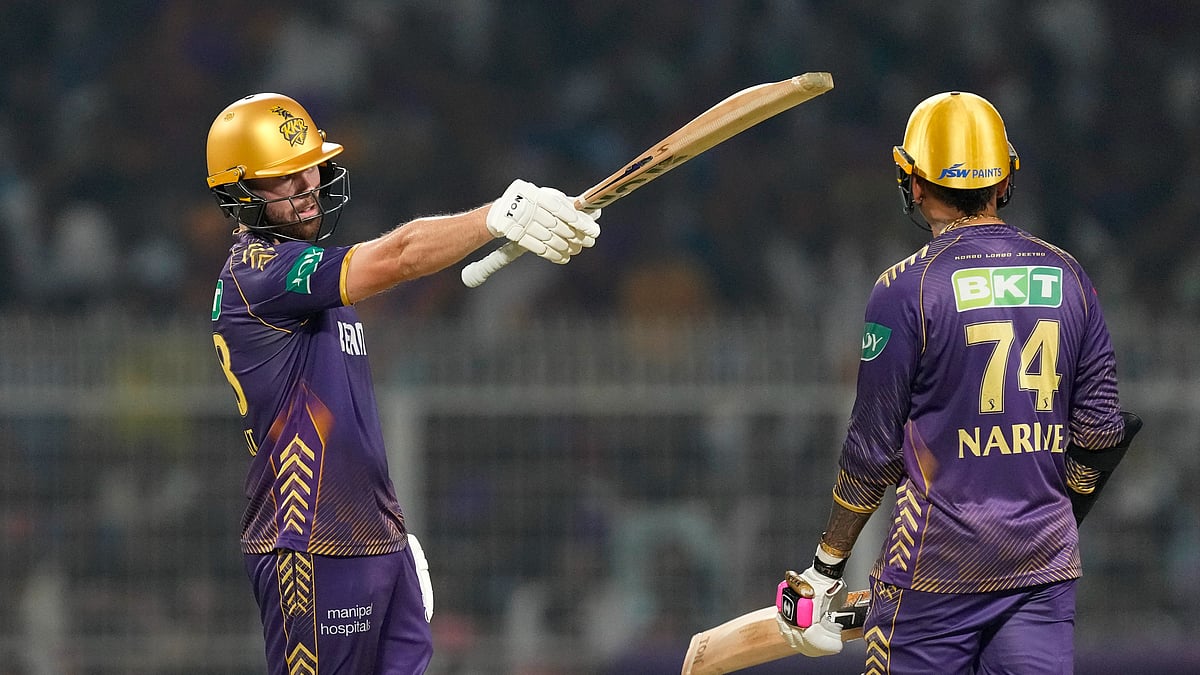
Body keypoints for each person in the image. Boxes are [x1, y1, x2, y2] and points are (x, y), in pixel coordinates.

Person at [203, 92, 600, 674]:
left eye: (309, 166)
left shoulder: (310, 284)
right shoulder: (257, 275)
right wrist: (495, 216)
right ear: (238, 194)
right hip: (310, 547)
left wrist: (387, 533)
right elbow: (402, 256)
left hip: (371, 542)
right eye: (283, 178)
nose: (307, 183)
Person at [771, 91, 1141, 673]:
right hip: (1042, 570)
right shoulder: (1069, 276)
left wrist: (826, 568)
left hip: (932, 568)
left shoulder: (905, 289)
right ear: (1004, 180)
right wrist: (1047, 513)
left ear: (914, 183)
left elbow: (873, 454)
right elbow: (1097, 435)